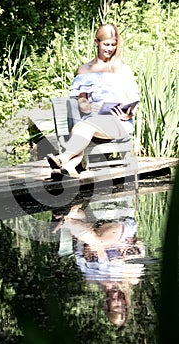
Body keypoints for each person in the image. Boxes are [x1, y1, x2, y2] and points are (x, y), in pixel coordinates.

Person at [47, 23, 140, 178]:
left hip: (118, 123)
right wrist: (89, 107)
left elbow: (133, 98)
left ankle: (62, 159)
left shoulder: (123, 69)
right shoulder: (85, 70)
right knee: (83, 127)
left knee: (84, 127)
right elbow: (82, 100)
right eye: (106, 44)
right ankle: (67, 168)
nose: (110, 49)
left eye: (113, 45)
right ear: (96, 42)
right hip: (92, 122)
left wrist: (129, 113)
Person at [53, 204, 145, 327]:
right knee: (98, 242)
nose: (119, 301)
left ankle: (72, 216)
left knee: (93, 238)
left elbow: (79, 250)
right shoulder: (131, 278)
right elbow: (138, 246)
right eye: (123, 305)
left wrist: (88, 247)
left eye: (116, 306)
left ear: (107, 306)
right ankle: (68, 220)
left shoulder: (91, 276)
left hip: (95, 230)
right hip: (121, 231)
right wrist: (107, 248)